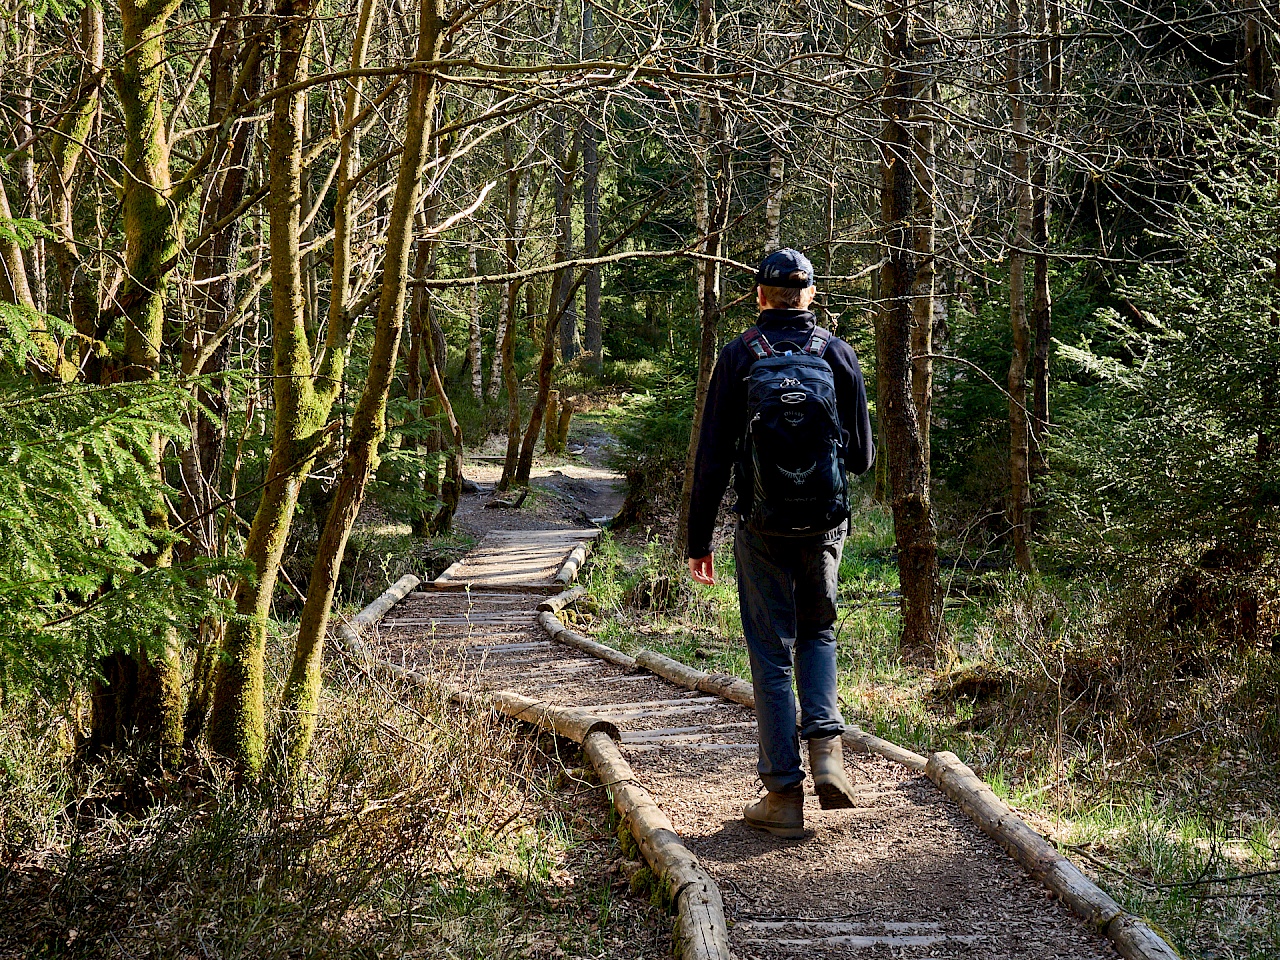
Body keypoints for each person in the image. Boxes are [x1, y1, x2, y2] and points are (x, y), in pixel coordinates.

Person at [686, 248, 875, 838]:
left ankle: (783, 796)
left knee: (769, 653)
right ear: (810, 295)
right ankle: (827, 753)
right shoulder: (837, 354)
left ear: (760, 296)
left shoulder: (741, 355)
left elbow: (712, 457)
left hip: (761, 525)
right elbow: (864, 459)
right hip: (823, 524)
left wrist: (698, 538)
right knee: (817, 632)